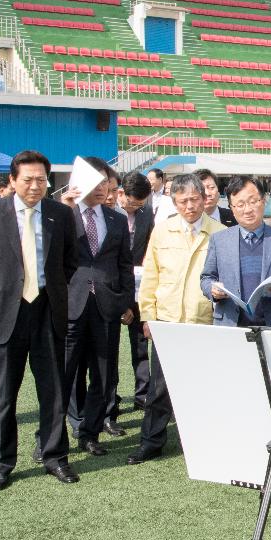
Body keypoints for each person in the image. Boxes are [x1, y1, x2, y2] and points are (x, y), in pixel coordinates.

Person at [0, 150, 79, 491]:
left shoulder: (60, 214)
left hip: (47, 310)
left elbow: (69, 261)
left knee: (54, 391)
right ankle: (0, 463)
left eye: (41, 180)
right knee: (2, 395)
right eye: (27, 180)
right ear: (12, 181)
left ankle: (55, 456)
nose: (34, 186)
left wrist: (51, 290)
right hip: (5, 315)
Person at [129, 173, 225, 464]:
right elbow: (150, 276)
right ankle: (151, 441)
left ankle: (198, 441)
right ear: (174, 202)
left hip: (203, 320)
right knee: (158, 387)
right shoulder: (162, 231)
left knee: (201, 386)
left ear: (204, 199)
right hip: (167, 321)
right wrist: (147, 316)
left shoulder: (220, 232)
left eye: (194, 199)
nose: (189, 206)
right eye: (182, 201)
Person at [57, 159, 133, 457]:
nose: (104, 189)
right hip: (70, 306)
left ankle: (89, 433)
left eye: (107, 184)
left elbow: (124, 264)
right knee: (62, 376)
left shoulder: (116, 219)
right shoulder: (63, 214)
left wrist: (126, 300)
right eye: (98, 183)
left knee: (103, 377)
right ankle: (49, 438)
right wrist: (66, 209)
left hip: (106, 307)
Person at [200, 175, 271, 329]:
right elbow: (206, 277)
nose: (247, 209)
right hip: (230, 323)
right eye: (239, 205)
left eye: (253, 202)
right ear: (231, 208)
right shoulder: (219, 240)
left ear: (264, 200)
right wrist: (212, 289)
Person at [116, 172, 154, 410]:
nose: (136, 208)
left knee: (140, 346)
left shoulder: (147, 213)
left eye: (141, 204)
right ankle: (110, 401)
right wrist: (121, 303)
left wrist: (134, 301)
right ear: (121, 194)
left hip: (138, 288)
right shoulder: (108, 214)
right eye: (133, 203)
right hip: (111, 290)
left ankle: (143, 395)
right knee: (106, 351)